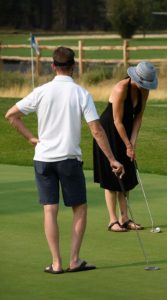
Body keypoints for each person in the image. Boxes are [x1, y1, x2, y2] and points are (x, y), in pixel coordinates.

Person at [5, 47, 124, 274]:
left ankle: (56, 263)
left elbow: (11, 115)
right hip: (69, 160)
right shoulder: (81, 93)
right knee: (79, 208)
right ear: (74, 67)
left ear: (52, 66)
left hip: (43, 159)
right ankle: (74, 260)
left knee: (50, 210)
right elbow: (96, 130)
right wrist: (112, 159)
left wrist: (31, 138)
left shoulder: (41, 91)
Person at [93, 61, 158, 232]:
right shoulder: (121, 88)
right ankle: (112, 220)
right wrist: (127, 144)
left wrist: (132, 143)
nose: (145, 86)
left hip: (126, 130)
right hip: (109, 131)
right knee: (112, 176)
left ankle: (125, 218)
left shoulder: (144, 90)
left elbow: (138, 117)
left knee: (126, 176)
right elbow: (116, 121)